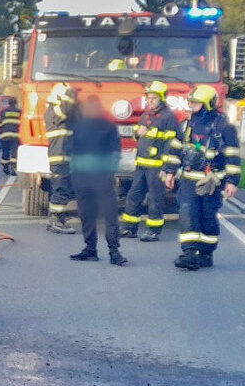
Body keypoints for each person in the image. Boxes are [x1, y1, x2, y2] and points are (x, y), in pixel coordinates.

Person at [163, 85, 241, 271]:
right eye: (191, 102)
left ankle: (206, 253)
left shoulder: (224, 126)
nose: (191, 105)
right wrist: (169, 171)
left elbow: (232, 155)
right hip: (189, 179)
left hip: (211, 182)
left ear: (207, 103)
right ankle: (190, 253)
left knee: (207, 217)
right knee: (187, 213)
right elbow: (175, 148)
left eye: (195, 102)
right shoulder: (187, 124)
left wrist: (232, 181)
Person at [69, 94, 127, 266]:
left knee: (105, 215)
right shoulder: (81, 126)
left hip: (95, 177)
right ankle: (95, 249)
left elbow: (115, 151)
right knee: (90, 215)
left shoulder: (102, 126)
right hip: (90, 178)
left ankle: (111, 250)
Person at [120, 81, 178, 242]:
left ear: (161, 99)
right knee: (133, 195)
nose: (149, 101)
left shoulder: (169, 118)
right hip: (141, 165)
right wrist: (137, 133)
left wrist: (167, 169)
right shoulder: (146, 116)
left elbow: (172, 145)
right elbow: (137, 136)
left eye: (153, 98)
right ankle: (129, 228)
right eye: (148, 98)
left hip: (157, 167)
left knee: (155, 198)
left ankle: (153, 230)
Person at [44, 83, 79, 234]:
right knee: (60, 189)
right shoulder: (55, 110)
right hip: (59, 157)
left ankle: (57, 219)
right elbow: (65, 110)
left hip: (64, 156)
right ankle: (56, 221)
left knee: (65, 188)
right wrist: (70, 94)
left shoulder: (56, 110)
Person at [0, 98, 21, 176]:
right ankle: (13, 168)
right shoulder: (19, 112)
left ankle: (5, 167)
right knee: (14, 152)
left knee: (5, 152)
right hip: (16, 136)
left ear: (8, 103)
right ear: (16, 103)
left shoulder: (3, 112)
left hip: (5, 136)